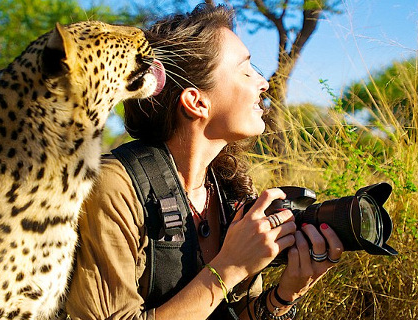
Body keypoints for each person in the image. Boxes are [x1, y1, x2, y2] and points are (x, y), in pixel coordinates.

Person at [65, 4, 344, 320]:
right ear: (196, 102)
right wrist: (229, 268)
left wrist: (284, 295)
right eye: (246, 70)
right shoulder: (114, 185)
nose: (263, 83)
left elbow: (233, 314)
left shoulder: (228, 190)